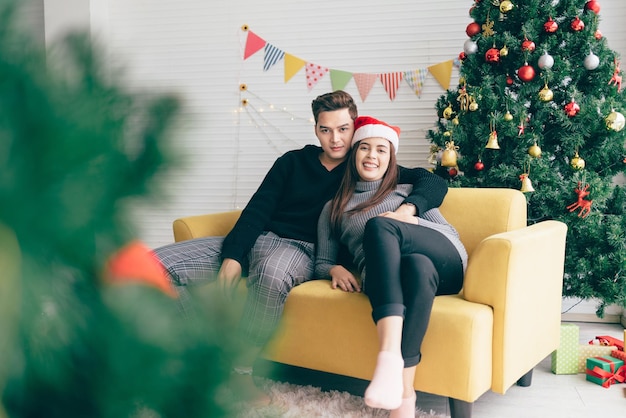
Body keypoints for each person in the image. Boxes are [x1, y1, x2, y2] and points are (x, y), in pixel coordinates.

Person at [153, 91, 441, 405]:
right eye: (326, 130)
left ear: (355, 127)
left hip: (301, 250)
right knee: (154, 266)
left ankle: (239, 372)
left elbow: (432, 182)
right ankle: (205, 357)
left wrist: (406, 211)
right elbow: (257, 210)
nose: (335, 139)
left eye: (343, 129)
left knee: (273, 272)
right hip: (258, 238)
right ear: (316, 129)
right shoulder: (292, 161)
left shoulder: (365, 164)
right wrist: (234, 256)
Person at [315, 116, 467, 418]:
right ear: (353, 153)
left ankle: (387, 356)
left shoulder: (406, 189)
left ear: (390, 158)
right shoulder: (333, 207)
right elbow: (322, 261)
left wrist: (406, 216)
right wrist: (333, 270)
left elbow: (451, 236)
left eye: (381, 150)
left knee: (382, 227)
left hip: (446, 259)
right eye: (365, 148)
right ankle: (404, 397)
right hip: (395, 277)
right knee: (417, 267)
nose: (372, 156)